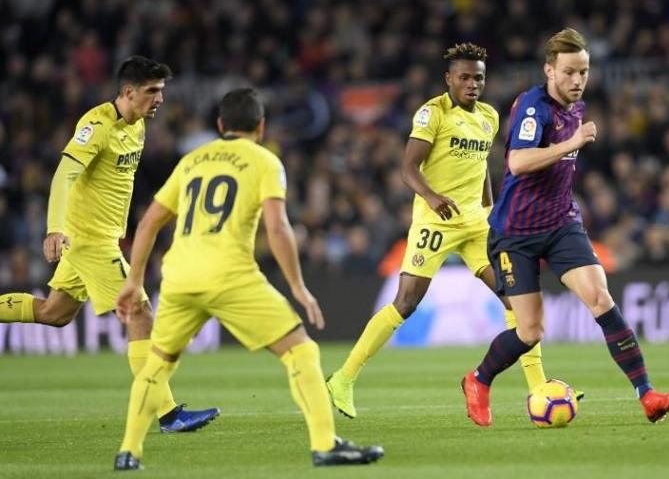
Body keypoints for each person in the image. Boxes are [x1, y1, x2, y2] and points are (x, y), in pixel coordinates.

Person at [113, 88, 384, 470]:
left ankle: (128, 452)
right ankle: (326, 445)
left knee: (157, 364)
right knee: (301, 350)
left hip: (179, 275)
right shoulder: (264, 161)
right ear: (261, 125)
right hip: (230, 275)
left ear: (220, 125)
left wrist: (133, 279)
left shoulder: (192, 160)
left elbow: (149, 222)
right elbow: (277, 226)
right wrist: (298, 287)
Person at [326, 43, 574, 420]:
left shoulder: (489, 116)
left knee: (516, 299)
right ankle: (343, 378)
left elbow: (481, 173)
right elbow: (408, 168)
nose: (472, 84)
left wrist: (493, 212)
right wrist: (431, 196)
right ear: (449, 79)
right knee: (406, 302)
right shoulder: (433, 113)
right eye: (465, 77)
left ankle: (538, 387)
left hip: (476, 223)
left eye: (479, 78)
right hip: (435, 221)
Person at [461, 28, 669, 427]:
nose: (577, 80)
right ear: (549, 70)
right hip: (516, 232)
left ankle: (648, 394)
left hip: (561, 223)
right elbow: (517, 163)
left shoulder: (575, 109)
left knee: (600, 298)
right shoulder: (534, 107)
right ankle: (478, 380)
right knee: (530, 330)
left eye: (583, 72)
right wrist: (572, 143)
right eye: (568, 72)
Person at [0, 56, 219, 433]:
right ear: (129, 92)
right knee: (139, 312)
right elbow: (65, 174)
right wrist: (54, 228)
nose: (159, 100)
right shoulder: (96, 124)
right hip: (88, 239)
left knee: (56, 313)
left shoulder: (137, 127)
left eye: (162, 92)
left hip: (100, 237)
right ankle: (168, 415)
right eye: (152, 92)